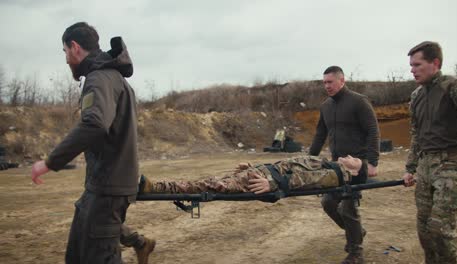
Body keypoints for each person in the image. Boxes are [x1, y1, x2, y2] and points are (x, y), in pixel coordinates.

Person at [30, 22, 154, 264]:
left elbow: (95, 124)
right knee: (77, 256)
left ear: (75, 47)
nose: (66, 59)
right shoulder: (110, 76)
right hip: (102, 186)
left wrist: (50, 162)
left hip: (109, 189)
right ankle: (140, 243)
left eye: (65, 51)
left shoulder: (99, 78)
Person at [402, 41, 457, 264]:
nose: (412, 69)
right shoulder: (416, 96)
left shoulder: (455, 87)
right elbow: (416, 135)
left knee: (441, 229)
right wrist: (410, 168)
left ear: (435, 63)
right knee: (425, 229)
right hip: (425, 166)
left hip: (452, 164)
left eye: (417, 64)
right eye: (411, 65)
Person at [308, 66, 380, 264]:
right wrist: (308, 160)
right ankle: (356, 232)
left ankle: (356, 253)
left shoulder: (358, 101)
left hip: (357, 165)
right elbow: (320, 134)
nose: (326, 86)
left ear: (342, 80)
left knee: (348, 208)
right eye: (324, 82)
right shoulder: (326, 106)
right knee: (328, 203)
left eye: (330, 82)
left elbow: (373, 130)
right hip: (336, 167)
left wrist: (372, 162)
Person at [139, 155, 363, 194]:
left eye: (354, 159)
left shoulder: (336, 174)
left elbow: (303, 181)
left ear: (354, 170)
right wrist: (252, 165)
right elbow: (288, 166)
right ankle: (156, 186)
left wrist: (271, 185)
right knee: (212, 180)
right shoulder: (327, 163)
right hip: (261, 172)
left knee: (210, 186)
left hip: (264, 180)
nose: (348, 155)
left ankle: (157, 187)